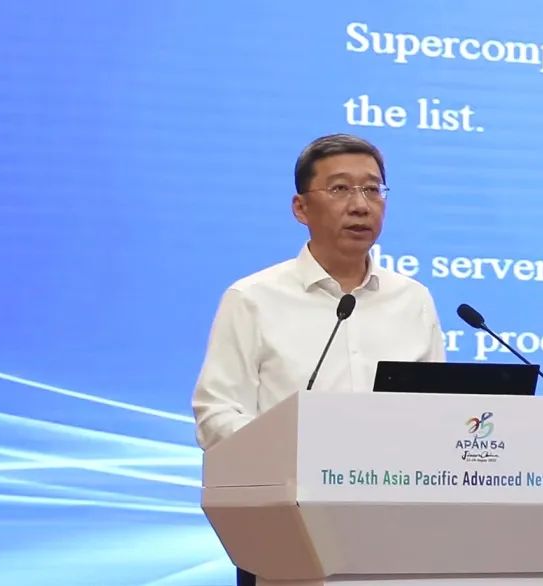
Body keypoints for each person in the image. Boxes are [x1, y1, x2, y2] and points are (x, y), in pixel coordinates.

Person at [191, 133, 446, 586]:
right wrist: (295, 458)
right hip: (284, 532)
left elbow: (438, 413)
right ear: (301, 208)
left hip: (394, 530)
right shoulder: (252, 298)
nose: (360, 205)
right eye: (340, 188)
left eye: (373, 189)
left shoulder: (413, 300)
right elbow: (216, 415)